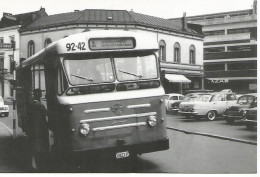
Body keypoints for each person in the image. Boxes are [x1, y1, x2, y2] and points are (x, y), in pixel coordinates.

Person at [30, 89, 49, 171]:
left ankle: (34, 164)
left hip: (34, 128)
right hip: (40, 129)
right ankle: (39, 166)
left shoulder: (32, 105)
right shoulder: (40, 105)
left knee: (35, 146)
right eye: (40, 94)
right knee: (40, 147)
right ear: (39, 95)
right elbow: (46, 113)